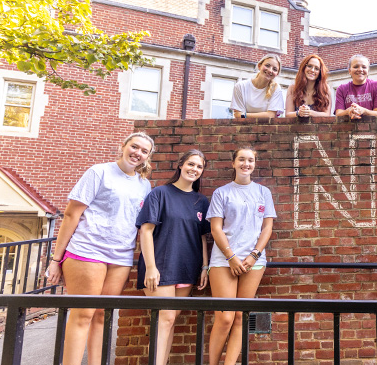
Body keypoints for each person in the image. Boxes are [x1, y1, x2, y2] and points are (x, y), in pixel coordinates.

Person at [45, 132, 154, 365]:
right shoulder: (99, 172)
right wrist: (56, 259)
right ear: (123, 146)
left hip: (120, 257)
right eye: (134, 147)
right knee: (83, 313)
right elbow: (72, 213)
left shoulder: (144, 185)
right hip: (87, 251)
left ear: (147, 157)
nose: (138, 153)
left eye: (144, 151)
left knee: (102, 315)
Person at [136, 149, 211, 365]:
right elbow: (146, 230)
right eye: (191, 164)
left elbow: (202, 237)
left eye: (199, 167)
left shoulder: (201, 201)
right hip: (160, 266)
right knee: (165, 318)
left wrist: (205, 267)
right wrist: (151, 267)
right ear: (180, 165)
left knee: (170, 321)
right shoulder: (159, 193)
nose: (194, 169)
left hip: (188, 267)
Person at [207, 146, 276, 365]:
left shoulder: (263, 192)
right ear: (233, 163)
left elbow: (267, 228)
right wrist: (231, 257)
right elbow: (216, 229)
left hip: (253, 262)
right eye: (241, 159)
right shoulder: (222, 192)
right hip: (224, 260)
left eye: (250, 160)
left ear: (254, 164)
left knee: (240, 317)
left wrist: (254, 255)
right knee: (225, 317)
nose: (246, 164)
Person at [334, 54, 377, 119]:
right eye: (356, 67)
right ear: (349, 71)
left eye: (364, 67)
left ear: (368, 71)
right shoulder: (341, 89)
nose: (360, 69)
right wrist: (349, 111)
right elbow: (338, 114)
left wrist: (363, 111)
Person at [231, 53, 285, 118]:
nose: (270, 70)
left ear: (277, 74)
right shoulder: (240, 86)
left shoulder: (276, 89)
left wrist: (245, 115)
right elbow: (237, 115)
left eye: (275, 69)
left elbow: (271, 116)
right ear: (259, 66)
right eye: (267, 65)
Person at [285, 53, 334, 118]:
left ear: (320, 72)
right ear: (304, 67)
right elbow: (288, 114)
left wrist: (309, 112)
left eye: (316, 68)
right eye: (310, 66)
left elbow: (327, 115)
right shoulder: (292, 88)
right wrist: (298, 113)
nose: (312, 70)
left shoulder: (325, 88)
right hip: (296, 127)